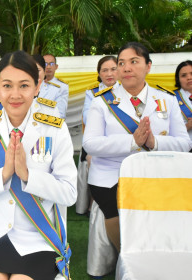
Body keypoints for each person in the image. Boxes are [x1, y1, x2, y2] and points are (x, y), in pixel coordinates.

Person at [0, 50, 77, 280]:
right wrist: (4, 174)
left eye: (24, 85)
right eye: (7, 85)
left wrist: (27, 175)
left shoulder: (54, 129)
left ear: (37, 87)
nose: (15, 94)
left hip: (38, 236)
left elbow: (70, 193)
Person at [83, 42, 191, 252]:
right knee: (115, 211)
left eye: (134, 62)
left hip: (158, 171)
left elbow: (185, 143)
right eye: (121, 63)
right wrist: (133, 142)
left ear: (148, 66)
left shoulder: (167, 100)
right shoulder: (102, 102)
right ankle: (126, 256)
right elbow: (90, 144)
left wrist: (154, 142)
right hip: (112, 173)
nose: (126, 68)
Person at [76, 56, 120, 215]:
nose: (110, 74)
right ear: (99, 74)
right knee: (94, 162)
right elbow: (88, 117)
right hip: (97, 140)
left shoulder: (128, 90)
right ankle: (93, 204)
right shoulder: (92, 92)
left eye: (113, 69)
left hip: (121, 141)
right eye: (105, 70)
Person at [42, 54, 69, 118]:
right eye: (45, 64)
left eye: (51, 64)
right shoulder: (34, 84)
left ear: (56, 67)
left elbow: (61, 113)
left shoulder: (62, 86)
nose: (48, 67)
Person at [173, 60, 192, 143]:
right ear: (178, 79)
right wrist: (189, 125)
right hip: (184, 149)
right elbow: (166, 130)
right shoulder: (171, 98)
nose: (189, 78)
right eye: (184, 75)